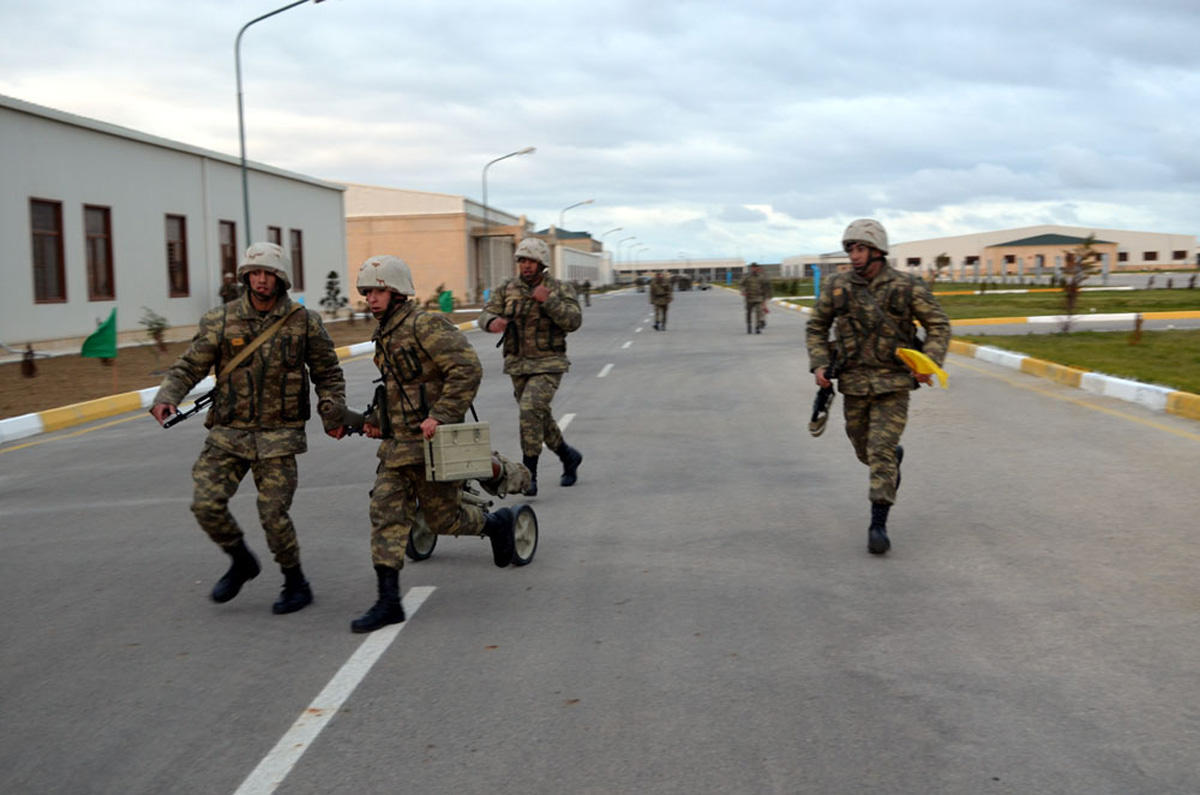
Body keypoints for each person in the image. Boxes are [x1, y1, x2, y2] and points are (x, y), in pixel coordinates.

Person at [150, 242, 349, 613]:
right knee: (205, 504)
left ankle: (295, 581)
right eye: (254, 274)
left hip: (279, 436)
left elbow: (328, 373)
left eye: (267, 274)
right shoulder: (220, 320)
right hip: (229, 433)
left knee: (273, 515)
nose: (260, 280)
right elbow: (189, 365)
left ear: (281, 278)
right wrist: (167, 395)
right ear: (245, 277)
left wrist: (331, 411)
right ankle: (241, 559)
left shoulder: (303, 321)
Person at [350, 255, 523, 633]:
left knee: (445, 520)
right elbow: (399, 392)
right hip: (398, 450)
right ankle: (388, 601)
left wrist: (442, 414)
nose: (372, 298)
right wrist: (377, 423)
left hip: (432, 445)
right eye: (367, 292)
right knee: (384, 514)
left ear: (397, 291)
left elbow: (466, 368)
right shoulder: (385, 334)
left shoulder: (424, 324)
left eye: (378, 290)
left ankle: (495, 524)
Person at [805, 219, 950, 555]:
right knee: (865, 451)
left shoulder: (906, 286)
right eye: (850, 249)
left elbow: (938, 325)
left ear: (877, 251)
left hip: (893, 384)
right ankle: (890, 462)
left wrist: (928, 363)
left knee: (881, 450)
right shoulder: (838, 287)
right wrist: (820, 363)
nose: (854, 256)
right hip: (854, 383)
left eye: (860, 249)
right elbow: (816, 326)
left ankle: (878, 524)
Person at [478, 238, 583, 496]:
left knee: (530, 410)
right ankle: (568, 456)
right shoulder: (507, 288)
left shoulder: (558, 288)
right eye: (522, 261)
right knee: (537, 416)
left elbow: (574, 320)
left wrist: (549, 302)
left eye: (531, 261)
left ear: (542, 263)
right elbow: (485, 314)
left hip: (549, 363)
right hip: (517, 364)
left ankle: (529, 475)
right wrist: (492, 322)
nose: (526, 265)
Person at [740, 262, 772, 333]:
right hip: (749, 298)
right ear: (751, 268)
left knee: (759, 312)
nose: (754, 269)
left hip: (758, 298)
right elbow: (741, 284)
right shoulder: (747, 276)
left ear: (757, 268)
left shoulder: (761, 277)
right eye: (752, 267)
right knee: (749, 312)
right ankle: (749, 325)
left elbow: (765, 286)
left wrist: (766, 296)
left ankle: (757, 327)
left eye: (755, 267)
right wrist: (743, 291)